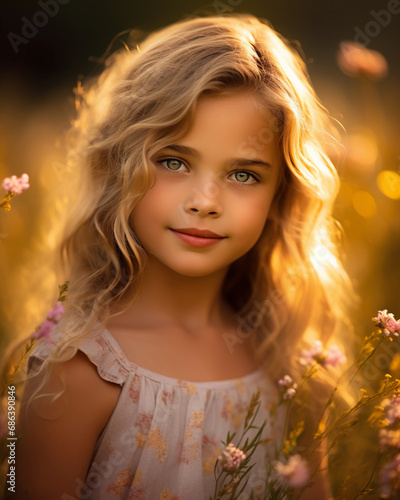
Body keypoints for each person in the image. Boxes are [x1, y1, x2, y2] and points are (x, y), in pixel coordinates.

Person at [10, 14, 350, 500]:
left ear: (281, 194)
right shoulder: (79, 369)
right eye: (174, 161)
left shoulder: (287, 360)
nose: (205, 200)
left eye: (244, 174)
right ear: (120, 165)